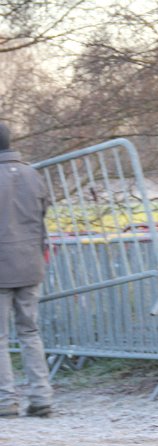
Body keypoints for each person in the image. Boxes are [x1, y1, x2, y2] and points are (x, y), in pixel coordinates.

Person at [0, 122, 54, 418]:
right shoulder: (33, 174)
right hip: (32, 263)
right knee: (30, 332)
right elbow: (43, 212)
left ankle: (6, 400)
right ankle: (42, 396)